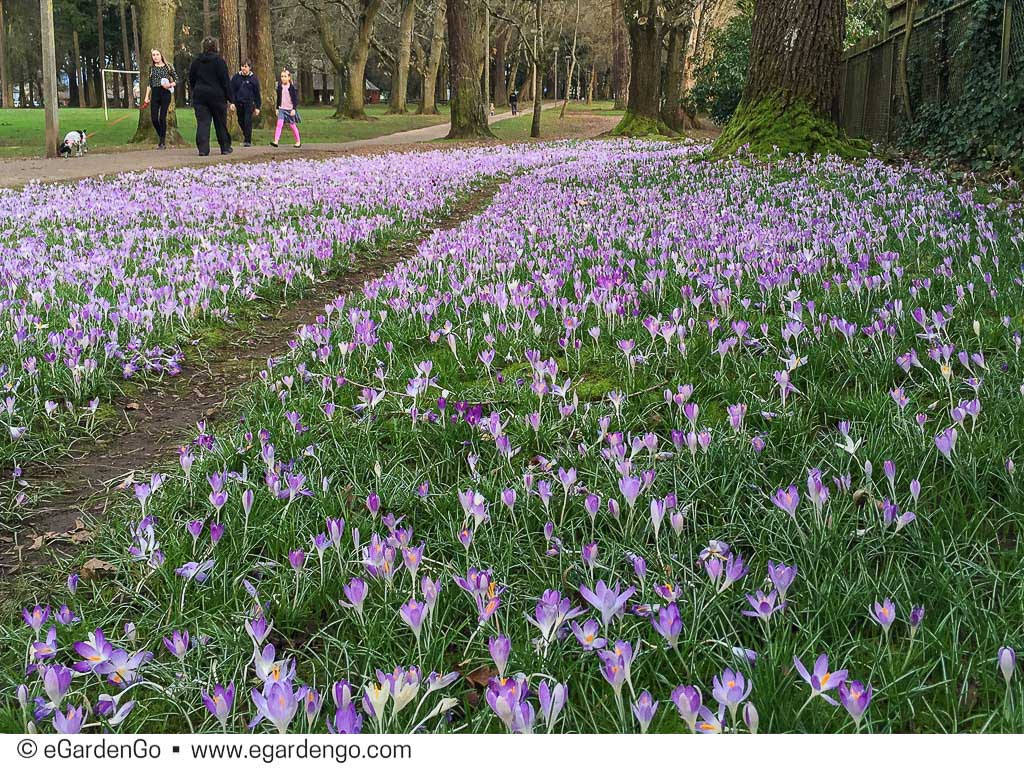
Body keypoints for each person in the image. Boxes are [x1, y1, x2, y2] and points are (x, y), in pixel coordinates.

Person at [188, 37, 234, 156]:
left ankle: (203, 149)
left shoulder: (196, 62)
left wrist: (196, 89)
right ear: (216, 47)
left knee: (203, 122)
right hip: (217, 96)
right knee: (220, 122)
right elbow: (225, 81)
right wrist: (231, 98)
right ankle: (225, 147)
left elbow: (191, 78)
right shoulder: (219, 62)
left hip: (200, 96)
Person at [141, 49, 176, 149]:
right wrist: (146, 97)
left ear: (161, 55)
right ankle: (161, 134)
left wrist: (170, 84)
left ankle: (162, 142)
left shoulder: (168, 67)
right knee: (154, 118)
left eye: (157, 54)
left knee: (162, 118)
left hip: (165, 94)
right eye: (153, 55)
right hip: (155, 93)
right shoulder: (151, 68)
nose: (155, 57)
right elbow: (149, 84)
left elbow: (176, 79)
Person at [231, 62, 262, 147]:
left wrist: (258, 106)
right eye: (242, 66)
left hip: (249, 103)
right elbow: (232, 91)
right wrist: (232, 102)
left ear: (249, 67)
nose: (244, 68)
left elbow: (257, 93)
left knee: (247, 120)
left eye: (246, 66)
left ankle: (248, 141)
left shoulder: (254, 79)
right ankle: (246, 135)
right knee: (241, 121)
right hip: (239, 102)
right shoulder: (236, 78)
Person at [271, 69, 301, 148]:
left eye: (285, 76)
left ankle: (298, 141)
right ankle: (276, 141)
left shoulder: (291, 88)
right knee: (279, 124)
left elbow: (295, 100)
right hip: (282, 109)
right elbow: (278, 99)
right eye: (282, 76)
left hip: (290, 109)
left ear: (289, 78)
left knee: (292, 125)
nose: (283, 78)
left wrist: (294, 109)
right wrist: (277, 108)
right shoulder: (280, 87)